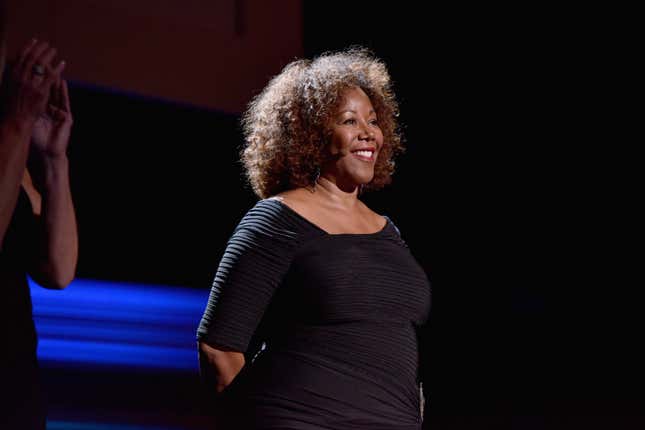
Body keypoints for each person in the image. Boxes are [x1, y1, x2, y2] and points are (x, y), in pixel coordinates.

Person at [197, 48, 430, 430]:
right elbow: (219, 349)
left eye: (373, 120)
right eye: (349, 120)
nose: (368, 133)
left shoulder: (389, 232)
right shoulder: (276, 219)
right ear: (313, 133)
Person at [0, 33, 78, 430]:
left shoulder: (12, 158)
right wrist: (16, 123)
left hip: (15, 392)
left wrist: (53, 160)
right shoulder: (9, 142)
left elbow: (59, 269)